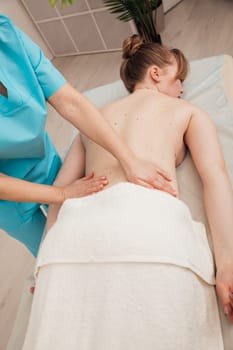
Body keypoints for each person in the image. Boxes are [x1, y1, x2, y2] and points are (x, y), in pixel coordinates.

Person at [22, 35, 233, 349]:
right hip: (148, 224)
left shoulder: (91, 121)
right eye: (180, 80)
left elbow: (60, 193)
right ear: (156, 74)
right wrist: (227, 261)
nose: (183, 89)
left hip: (74, 234)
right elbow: (214, 177)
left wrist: (46, 262)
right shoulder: (187, 111)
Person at [0, 15, 175, 257]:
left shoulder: (6, 34)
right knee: (51, 253)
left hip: (42, 158)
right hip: (9, 199)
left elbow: (70, 102)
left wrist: (129, 159)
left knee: (76, 228)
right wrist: (61, 195)